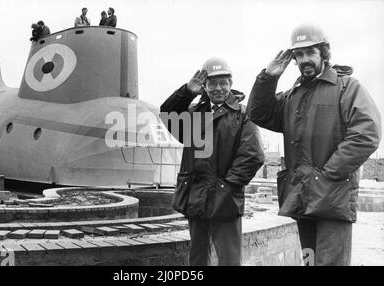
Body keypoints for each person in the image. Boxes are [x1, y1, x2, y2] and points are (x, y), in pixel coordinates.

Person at [247, 23, 382, 266]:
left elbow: (367, 133)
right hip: (302, 198)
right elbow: (258, 113)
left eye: (310, 52)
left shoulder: (347, 87)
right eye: (299, 55)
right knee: (309, 262)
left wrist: (327, 175)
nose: (304, 59)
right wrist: (269, 77)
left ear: (324, 53)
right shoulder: (293, 95)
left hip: (332, 198)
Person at [160, 58, 264, 266]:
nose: (218, 88)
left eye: (223, 83)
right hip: (197, 197)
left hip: (226, 198)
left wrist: (227, 186)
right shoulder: (192, 115)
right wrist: (187, 91)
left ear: (231, 84)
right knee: (198, 257)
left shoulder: (243, 115)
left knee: (229, 259)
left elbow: (252, 156)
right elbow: (167, 115)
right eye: (212, 83)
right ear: (204, 87)